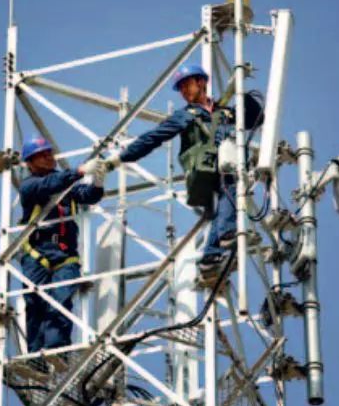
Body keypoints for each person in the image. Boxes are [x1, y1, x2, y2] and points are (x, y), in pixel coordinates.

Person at [104, 65, 245, 274]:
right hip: (204, 169)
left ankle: (210, 257)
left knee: (228, 199)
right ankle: (225, 235)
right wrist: (118, 159)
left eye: (187, 84)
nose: (184, 91)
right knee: (230, 187)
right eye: (181, 88)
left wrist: (245, 98)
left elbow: (256, 119)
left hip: (225, 166)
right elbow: (153, 138)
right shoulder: (186, 115)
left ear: (201, 82)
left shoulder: (225, 113)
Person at [17, 137, 105, 353]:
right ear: (30, 163)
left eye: (50, 153)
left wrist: (98, 182)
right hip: (38, 252)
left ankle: (56, 351)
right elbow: (49, 185)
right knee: (35, 303)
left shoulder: (66, 185)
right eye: (42, 155)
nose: (49, 157)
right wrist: (81, 171)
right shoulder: (29, 186)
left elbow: (87, 196)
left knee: (61, 301)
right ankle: (36, 359)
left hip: (66, 254)